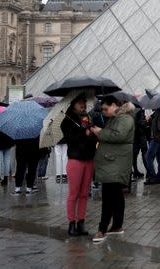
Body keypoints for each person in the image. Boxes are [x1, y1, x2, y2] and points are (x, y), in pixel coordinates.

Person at [90, 96, 135, 243]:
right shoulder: (116, 118)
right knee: (116, 196)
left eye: (105, 108)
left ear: (115, 105)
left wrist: (100, 132)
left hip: (115, 163)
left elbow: (118, 135)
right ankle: (116, 226)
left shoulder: (125, 119)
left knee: (108, 197)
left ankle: (102, 229)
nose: (103, 112)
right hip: (113, 162)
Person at [62, 93, 97, 236]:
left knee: (84, 194)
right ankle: (71, 223)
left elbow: (93, 137)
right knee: (73, 194)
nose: (83, 105)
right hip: (75, 160)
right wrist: (84, 132)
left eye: (84, 102)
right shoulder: (67, 121)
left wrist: (91, 131)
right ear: (73, 104)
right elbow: (71, 139)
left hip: (88, 159)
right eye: (80, 102)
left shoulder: (88, 118)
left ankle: (81, 222)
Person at [144, 110, 160, 185]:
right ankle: (158, 177)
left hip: (156, 138)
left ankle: (153, 176)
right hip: (158, 138)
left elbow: (157, 126)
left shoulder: (158, 112)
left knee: (148, 157)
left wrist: (149, 119)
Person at [132, 105, 149, 181]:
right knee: (145, 153)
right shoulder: (140, 110)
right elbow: (141, 123)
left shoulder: (132, 110)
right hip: (141, 135)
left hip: (134, 135)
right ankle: (149, 171)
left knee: (134, 155)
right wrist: (146, 120)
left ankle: (135, 171)